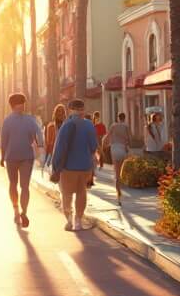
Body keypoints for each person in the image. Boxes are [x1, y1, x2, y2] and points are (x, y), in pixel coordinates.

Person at [51, 98, 99, 232]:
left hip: (68, 168)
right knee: (81, 193)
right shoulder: (89, 125)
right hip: (85, 167)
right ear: (83, 110)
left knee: (66, 194)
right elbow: (94, 146)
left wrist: (55, 167)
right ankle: (78, 221)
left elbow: (59, 148)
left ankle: (69, 220)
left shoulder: (66, 125)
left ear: (70, 110)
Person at [0, 92, 44, 228]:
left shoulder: (7, 121)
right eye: (22, 103)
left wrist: (2, 157)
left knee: (13, 184)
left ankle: (17, 211)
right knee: (24, 186)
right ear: (18, 105)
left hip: (12, 157)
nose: (23, 106)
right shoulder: (30, 119)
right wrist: (40, 146)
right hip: (26, 157)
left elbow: (4, 141)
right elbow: (39, 135)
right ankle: (22, 212)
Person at [107, 112, 130, 201]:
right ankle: (120, 184)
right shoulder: (126, 127)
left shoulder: (113, 126)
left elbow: (107, 136)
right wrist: (128, 146)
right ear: (124, 118)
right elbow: (130, 138)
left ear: (118, 118)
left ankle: (118, 190)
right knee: (121, 169)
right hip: (122, 148)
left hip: (114, 148)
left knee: (116, 170)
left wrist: (104, 144)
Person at [44, 103, 66, 169]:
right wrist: (46, 157)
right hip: (53, 155)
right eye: (58, 111)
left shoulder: (67, 126)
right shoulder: (50, 126)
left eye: (62, 111)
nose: (60, 113)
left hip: (65, 156)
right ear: (55, 113)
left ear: (64, 114)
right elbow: (48, 143)